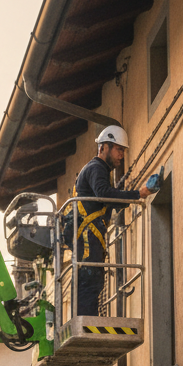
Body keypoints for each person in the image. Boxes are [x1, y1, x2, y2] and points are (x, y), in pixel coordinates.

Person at [70, 125, 152, 317]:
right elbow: (104, 194)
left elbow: (106, 199)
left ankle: (85, 321)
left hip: (89, 237)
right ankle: (86, 323)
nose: (121, 155)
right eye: (119, 150)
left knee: (91, 280)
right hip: (89, 238)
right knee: (90, 280)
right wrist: (138, 194)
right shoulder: (96, 168)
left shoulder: (95, 170)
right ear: (104, 147)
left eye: (123, 151)